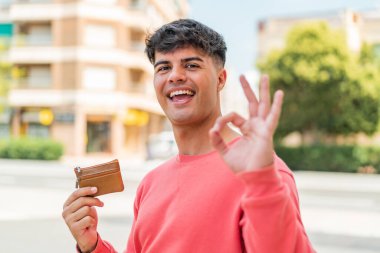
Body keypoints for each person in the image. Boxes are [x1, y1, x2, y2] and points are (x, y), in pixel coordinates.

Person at [62, 19, 315, 253]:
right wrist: (92, 245)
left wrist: (262, 182)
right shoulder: (151, 184)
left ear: (220, 78)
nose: (175, 76)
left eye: (191, 65)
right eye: (164, 67)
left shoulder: (262, 173)